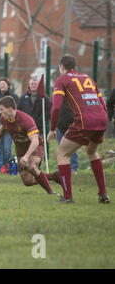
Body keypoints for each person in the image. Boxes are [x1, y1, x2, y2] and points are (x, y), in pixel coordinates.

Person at [47, 54, 109, 204]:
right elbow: (102, 103)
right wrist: (102, 121)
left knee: (62, 153)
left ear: (61, 67)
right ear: (75, 66)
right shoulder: (88, 78)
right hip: (101, 119)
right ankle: (103, 194)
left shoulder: (62, 80)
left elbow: (56, 108)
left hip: (84, 121)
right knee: (92, 152)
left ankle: (67, 197)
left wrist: (52, 129)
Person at [0, 96, 57, 195]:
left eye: (1, 109)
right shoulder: (4, 118)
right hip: (21, 149)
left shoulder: (25, 120)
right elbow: (2, 128)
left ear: (9, 109)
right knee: (28, 181)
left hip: (35, 147)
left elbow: (35, 141)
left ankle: (51, 192)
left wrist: (26, 157)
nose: (0, 112)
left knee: (31, 167)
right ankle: (54, 177)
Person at [55, 101, 79, 174]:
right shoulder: (58, 98)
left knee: (72, 148)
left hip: (71, 126)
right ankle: (62, 167)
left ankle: (73, 168)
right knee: (61, 148)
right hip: (59, 126)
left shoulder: (72, 98)